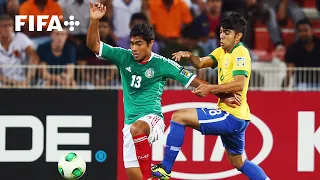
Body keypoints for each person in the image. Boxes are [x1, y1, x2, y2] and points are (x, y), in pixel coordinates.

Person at [87, 2, 241, 180]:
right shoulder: (123, 56)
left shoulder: (162, 64)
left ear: (150, 44)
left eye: (139, 44)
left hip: (152, 120)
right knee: (134, 173)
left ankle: (150, 175)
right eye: (132, 44)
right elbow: (94, 45)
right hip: (129, 126)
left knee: (137, 130)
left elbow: (194, 81)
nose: (134, 49)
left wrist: (224, 96)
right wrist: (94, 20)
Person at [152, 12, 270, 180]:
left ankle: (165, 169)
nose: (221, 36)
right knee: (239, 162)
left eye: (227, 32)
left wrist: (209, 88)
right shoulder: (222, 52)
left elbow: (239, 84)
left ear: (238, 36)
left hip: (232, 115)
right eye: (221, 31)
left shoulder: (240, 53)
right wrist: (190, 55)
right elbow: (200, 63)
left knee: (179, 116)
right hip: (237, 116)